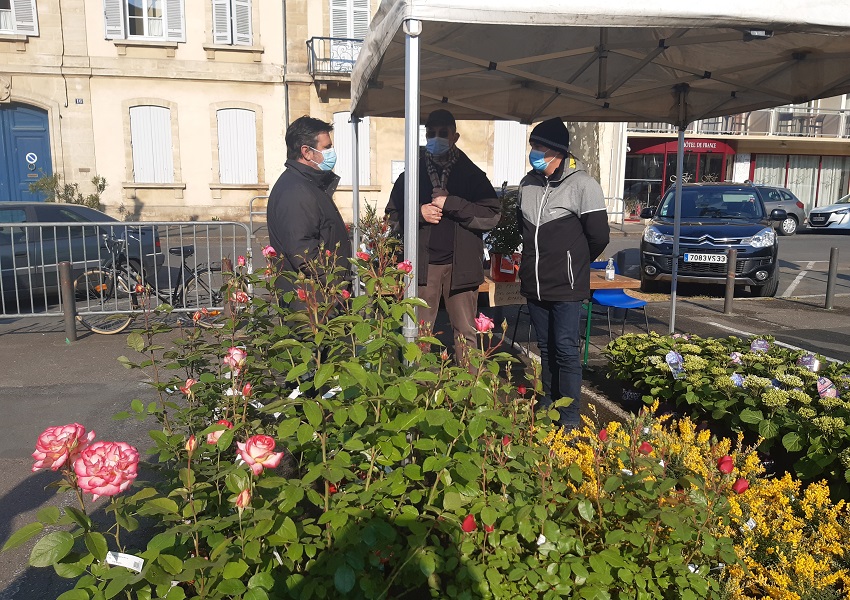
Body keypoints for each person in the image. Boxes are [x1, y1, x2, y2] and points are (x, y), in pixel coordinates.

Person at [517, 118, 610, 427]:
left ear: (557, 151)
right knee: (545, 349)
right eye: (533, 147)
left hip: (567, 285)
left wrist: (574, 262)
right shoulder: (527, 184)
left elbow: (599, 236)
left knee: (566, 350)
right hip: (536, 284)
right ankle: (548, 404)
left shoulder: (583, 185)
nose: (534, 153)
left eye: (540, 148)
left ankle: (569, 417)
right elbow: (523, 231)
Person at [387, 109, 501, 352]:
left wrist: (451, 203)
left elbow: (491, 215)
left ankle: (469, 388)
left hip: (462, 268)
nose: (435, 138)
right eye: (430, 133)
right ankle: (418, 387)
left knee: (466, 334)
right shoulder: (411, 176)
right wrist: (418, 214)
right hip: (422, 268)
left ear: (455, 136)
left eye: (442, 133)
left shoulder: (472, 175)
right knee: (418, 333)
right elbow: (392, 218)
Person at [267, 116, 351, 301]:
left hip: (319, 295)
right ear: (307, 152)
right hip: (313, 303)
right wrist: (334, 284)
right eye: (327, 147)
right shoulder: (296, 191)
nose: (332, 152)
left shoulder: (307, 184)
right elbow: (302, 251)